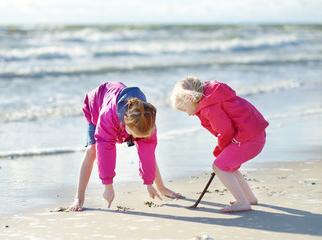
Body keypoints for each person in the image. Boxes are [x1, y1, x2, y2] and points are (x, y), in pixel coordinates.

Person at [70, 82, 181, 211]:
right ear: (126, 125)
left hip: (128, 116)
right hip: (97, 106)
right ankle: (79, 197)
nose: (138, 139)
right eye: (135, 136)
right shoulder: (107, 116)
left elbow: (147, 153)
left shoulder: (146, 118)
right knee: (93, 150)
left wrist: (149, 183)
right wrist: (108, 185)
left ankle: (161, 187)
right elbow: (105, 149)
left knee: (146, 149)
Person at [170, 76, 269, 213]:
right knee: (230, 166)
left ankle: (242, 202)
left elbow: (225, 131)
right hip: (255, 136)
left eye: (184, 109)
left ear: (190, 99)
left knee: (219, 166)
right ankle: (249, 198)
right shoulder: (213, 98)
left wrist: (222, 148)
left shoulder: (210, 108)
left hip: (248, 139)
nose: (187, 114)